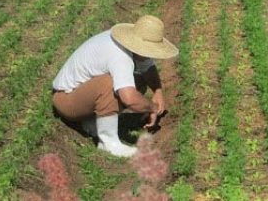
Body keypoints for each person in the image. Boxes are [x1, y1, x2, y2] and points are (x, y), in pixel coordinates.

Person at [52, 15, 178, 157]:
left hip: (81, 94)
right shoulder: (120, 57)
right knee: (110, 84)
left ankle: (92, 121)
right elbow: (129, 98)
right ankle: (108, 143)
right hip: (66, 99)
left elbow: (148, 68)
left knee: (137, 80)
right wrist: (152, 107)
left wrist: (158, 91)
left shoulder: (130, 46)